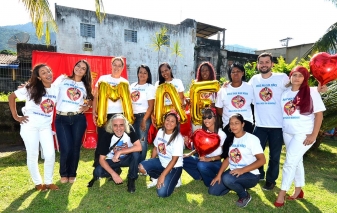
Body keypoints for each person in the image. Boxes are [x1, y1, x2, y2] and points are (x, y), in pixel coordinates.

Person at [274, 66, 325, 207]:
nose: (297, 78)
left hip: (303, 133)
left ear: (305, 78)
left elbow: (319, 114)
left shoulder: (311, 92)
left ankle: (281, 194)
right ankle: (298, 190)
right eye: (294, 75)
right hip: (288, 132)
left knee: (289, 161)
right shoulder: (285, 94)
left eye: (300, 76)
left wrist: (314, 135)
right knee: (297, 161)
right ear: (290, 76)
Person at [8, 64, 59, 191]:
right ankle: (38, 183)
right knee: (33, 154)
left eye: (49, 71)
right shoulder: (30, 88)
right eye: (43, 72)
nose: (48, 74)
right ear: (39, 77)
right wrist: (16, 116)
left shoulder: (55, 89)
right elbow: (11, 96)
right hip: (30, 125)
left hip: (45, 126)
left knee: (50, 154)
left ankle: (49, 182)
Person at [248, 52, 290, 190]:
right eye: (261, 62)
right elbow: (242, 91)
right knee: (256, 152)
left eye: (267, 62)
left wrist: (316, 90)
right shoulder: (254, 80)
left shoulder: (282, 78)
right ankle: (259, 173)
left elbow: (296, 88)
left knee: (274, 156)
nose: (264, 65)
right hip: (259, 125)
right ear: (257, 64)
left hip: (277, 125)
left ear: (272, 64)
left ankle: (271, 180)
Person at [208, 113, 266, 208]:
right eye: (231, 123)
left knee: (228, 179)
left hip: (250, 174)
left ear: (242, 124)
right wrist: (218, 175)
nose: (234, 126)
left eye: (236, 123)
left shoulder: (252, 139)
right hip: (233, 172)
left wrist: (242, 170)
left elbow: (262, 160)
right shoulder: (230, 139)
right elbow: (227, 159)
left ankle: (244, 195)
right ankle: (234, 184)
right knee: (213, 191)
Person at [53, 60, 93, 184]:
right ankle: (64, 173)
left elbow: (90, 100)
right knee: (65, 148)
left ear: (86, 72)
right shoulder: (63, 79)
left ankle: (72, 173)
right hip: (61, 119)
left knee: (75, 147)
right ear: (74, 67)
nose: (79, 69)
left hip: (78, 119)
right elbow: (49, 89)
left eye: (83, 68)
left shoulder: (85, 85)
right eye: (78, 66)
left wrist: (88, 106)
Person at [89, 114, 142, 193]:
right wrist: (113, 174)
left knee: (136, 154)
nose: (118, 128)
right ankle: (116, 170)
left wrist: (120, 152)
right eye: (115, 125)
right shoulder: (107, 135)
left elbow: (139, 147)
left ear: (125, 125)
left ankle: (131, 179)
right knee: (98, 172)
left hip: (127, 158)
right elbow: (101, 159)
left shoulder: (129, 130)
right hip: (112, 160)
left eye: (121, 125)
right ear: (111, 126)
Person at [92, 57, 129, 168]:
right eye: (115, 64)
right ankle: (98, 165)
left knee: (116, 141)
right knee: (102, 139)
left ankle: (114, 165)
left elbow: (128, 102)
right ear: (111, 65)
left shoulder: (125, 82)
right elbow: (96, 97)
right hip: (104, 114)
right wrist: (94, 111)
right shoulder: (103, 79)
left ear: (122, 68)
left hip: (119, 115)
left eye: (119, 65)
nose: (117, 67)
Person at [138, 111, 184, 197]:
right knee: (141, 167)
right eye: (167, 120)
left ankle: (176, 179)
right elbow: (155, 148)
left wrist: (163, 175)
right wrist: (151, 162)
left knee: (162, 193)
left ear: (176, 124)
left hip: (174, 167)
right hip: (161, 162)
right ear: (164, 121)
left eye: (172, 121)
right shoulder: (160, 131)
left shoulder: (178, 138)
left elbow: (174, 161)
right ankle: (157, 178)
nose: (169, 123)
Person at [183, 108, 226, 187]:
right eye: (204, 118)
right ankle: (200, 176)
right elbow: (200, 147)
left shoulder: (221, 134)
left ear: (215, 119)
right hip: (203, 159)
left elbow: (225, 155)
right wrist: (189, 154)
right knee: (182, 158)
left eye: (209, 117)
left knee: (201, 165)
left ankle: (210, 182)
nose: (206, 120)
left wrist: (209, 159)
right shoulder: (202, 131)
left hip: (215, 162)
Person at [216, 62, 254, 136]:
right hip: (229, 125)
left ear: (242, 73)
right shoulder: (224, 89)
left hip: (247, 124)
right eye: (233, 72)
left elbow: (255, 104)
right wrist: (228, 115)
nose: (235, 74)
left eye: (238, 71)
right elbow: (218, 107)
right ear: (230, 74)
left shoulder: (249, 87)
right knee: (230, 147)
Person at [130, 65, 155, 162]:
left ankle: (141, 164)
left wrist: (144, 120)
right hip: (132, 117)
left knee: (142, 141)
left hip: (143, 116)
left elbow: (151, 106)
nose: (142, 74)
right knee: (133, 141)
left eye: (145, 73)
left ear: (148, 75)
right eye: (140, 72)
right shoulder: (132, 86)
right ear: (137, 74)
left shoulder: (150, 87)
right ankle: (134, 163)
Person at [191, 62, 217, 132]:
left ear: (210, 72)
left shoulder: (214, 85)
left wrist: (211, 105)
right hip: (197, 119)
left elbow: (219, 103)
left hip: (210, 118)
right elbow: (192, 101)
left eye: (206, 70)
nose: (204, 72)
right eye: (202, 70)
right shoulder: (196, 85)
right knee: (197, 137)